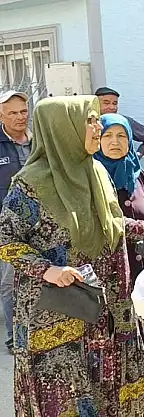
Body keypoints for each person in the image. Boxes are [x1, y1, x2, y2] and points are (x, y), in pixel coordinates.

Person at [0, 95, 144, 416]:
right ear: (64, 128)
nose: (98, 128)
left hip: (109, 307)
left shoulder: (95, 172)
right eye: (90, 121)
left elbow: (110, 222)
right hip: (57, 316)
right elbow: (6, 239)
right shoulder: (31, 184)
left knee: (111, 395)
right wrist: (46, 269)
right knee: (69, 401)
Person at [93, 113, 144, 390]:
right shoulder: (92, 176)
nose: (115, 142)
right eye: (107, 136)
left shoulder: (138, 174)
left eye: (122, 136)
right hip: (114, 263)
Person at [0, 90, 32, 354]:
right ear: (1, 116)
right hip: (7, 227)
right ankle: (14, 337)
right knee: (10, 281)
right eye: (12, 113)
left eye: (23, 111)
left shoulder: (39, 141)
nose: (20, 117)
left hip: (42, 225)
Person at [95, 86, 144, 158]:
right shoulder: (89, 124)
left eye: (115, 103)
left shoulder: (123, 122)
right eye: (106, 103)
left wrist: (138, 155)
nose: (112, 107)